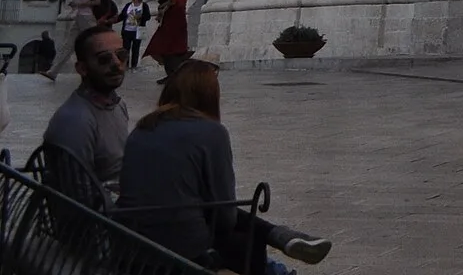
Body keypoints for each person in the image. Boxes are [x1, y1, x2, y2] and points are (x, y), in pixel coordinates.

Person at [117, 58, 332, 271]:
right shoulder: (211, 132)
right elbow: (225, 215)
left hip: (132, 240)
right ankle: (280, 240)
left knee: (211, 209)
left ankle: (283, 239)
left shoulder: (142, 129)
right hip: (181, 247)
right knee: (247, 242)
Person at [41, 25, 131, 201]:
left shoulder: (118, 105)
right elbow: (80, 199)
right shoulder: (75, 121)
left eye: (121, 55)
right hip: (102, 220)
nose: (116, 64)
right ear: (82, 69)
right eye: (104, 59)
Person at [120, 0, 152, 69]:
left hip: (138, 30)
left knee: (136, 48)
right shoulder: (128, 5)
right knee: (126, 48)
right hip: (127, 29)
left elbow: (148, 16)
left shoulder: (144, 5)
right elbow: (122, 15)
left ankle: (134, 65)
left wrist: (141, 17)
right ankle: (125, 65)